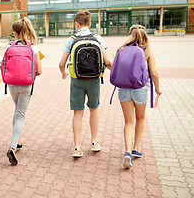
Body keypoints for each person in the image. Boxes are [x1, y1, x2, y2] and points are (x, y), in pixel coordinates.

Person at [59, 10, 112, 158]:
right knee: (94, 109)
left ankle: (77, 147)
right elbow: (108, 62)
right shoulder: (98, 38)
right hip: (94, 79)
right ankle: (94, 142)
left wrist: (63, 73)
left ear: (76, 24)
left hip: (77, 80)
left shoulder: (71, 40)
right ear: (89, 24)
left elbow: (61, 63)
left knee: (78, 112)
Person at [117, 25, 162, 168]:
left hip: (123, 90)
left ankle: (127, 152)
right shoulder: (148, 53)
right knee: (140, 118)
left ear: (130, 35)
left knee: (128, 122)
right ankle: (136, 148)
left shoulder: (121, 50)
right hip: (140, 90)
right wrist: (158, 89)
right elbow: (154, 73)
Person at [6, 17, 42, 165]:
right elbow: (39, 70)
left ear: (15, 33)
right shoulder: (32, 48)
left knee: (17, 111)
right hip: (26, 84)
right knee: (20, 114)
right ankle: (12, 147)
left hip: (12, 84)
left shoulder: (10, 47)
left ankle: (18, 140)